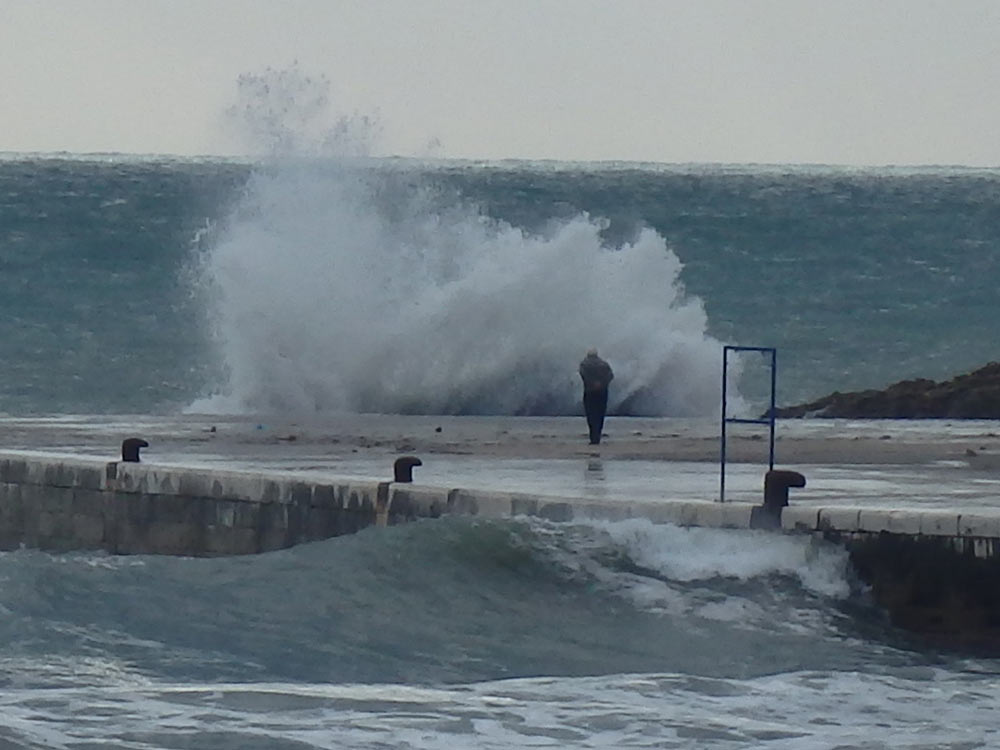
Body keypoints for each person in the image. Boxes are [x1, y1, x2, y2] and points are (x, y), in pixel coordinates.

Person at [579, 348, 614, 445]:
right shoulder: (604, 364)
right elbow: (611, 376)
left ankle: (593, 437)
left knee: (591, 414)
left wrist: (592, 383)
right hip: (602, 392)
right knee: (600, 414)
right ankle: (597, 435)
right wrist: (602, 384)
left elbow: (583, 375)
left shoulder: (584, 364)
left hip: (590, 391)